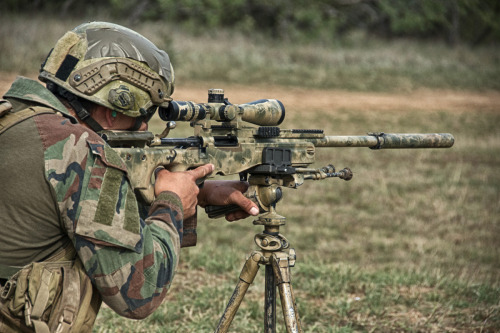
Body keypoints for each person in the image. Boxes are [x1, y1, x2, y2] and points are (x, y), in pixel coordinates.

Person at [0, 22, 258, 332]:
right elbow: (139, 293)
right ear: (114, 109)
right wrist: (172, 203)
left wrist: (196, 191)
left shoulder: (16, 117)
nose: (145, 130)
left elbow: (57, 198)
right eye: (145, 115)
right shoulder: (80, 148)